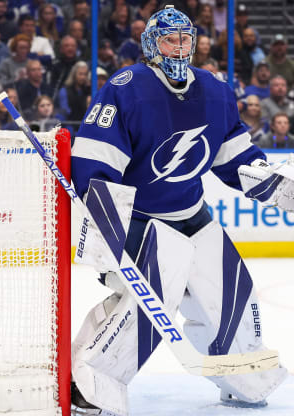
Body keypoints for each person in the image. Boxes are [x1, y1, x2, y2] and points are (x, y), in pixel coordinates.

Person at [70, 6, 288, 414]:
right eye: (170, 39)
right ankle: (89, 380)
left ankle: (241, 375)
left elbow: (233, 156)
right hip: (141, 221)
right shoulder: (125, 87)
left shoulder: (214, 90)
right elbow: (94, 166)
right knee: (149, 303)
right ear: (152, 44)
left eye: (185, 39)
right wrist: (106, 236)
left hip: (193, 214)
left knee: (234, 295)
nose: (179, 47)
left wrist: (271, 182)